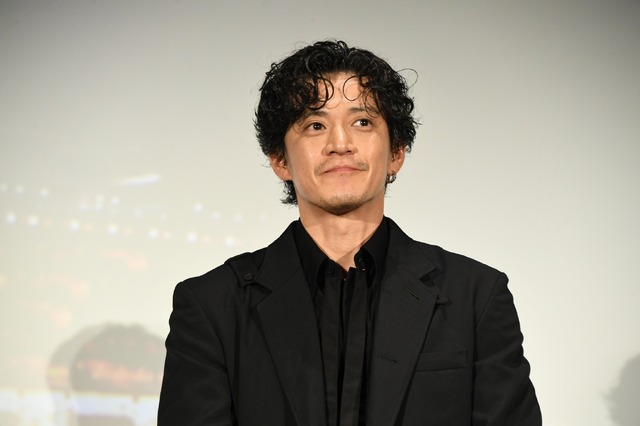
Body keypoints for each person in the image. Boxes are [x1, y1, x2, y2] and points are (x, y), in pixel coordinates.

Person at [158, 40, 542, 425]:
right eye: (315, 125)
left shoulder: (475, 296)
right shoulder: (211, 307)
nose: (340, 144)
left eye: (362, 123)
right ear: (279, 159)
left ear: (396, 153)